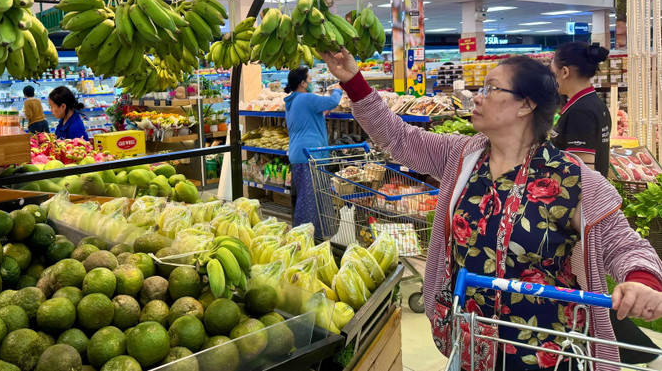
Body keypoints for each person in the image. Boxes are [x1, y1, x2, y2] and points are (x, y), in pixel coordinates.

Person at [321, 49, 662, 370]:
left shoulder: (571, 179)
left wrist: (641, 281)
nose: (477, 97)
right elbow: (398, 137)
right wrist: (353, 80)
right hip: (471, 341)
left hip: (546, 350)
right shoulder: (463, 157)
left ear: (525, 105)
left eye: (491, 88)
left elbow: (624, 244)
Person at [551, 42, 661, 368]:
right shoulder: (592, 104)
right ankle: (638, 351)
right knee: (588, 287)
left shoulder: (582, 110)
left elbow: (579, 166)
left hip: (579, 210)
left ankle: (638, 351)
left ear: (566, 71)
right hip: (587, 208)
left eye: (553, 69)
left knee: (586, 289)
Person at [283, 67, 342, 232]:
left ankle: (309, 234)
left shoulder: (293, 101)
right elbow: (332, 102)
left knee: (306, 198)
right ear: (302, 83)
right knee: (310, 202)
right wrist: (337, 90)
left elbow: (305, 121)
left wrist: (320, 114)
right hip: (309, 156)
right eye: (309, 79)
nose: (311, 82)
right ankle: (305, 238)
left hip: (299, 155)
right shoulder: (306, 98)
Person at [550, 42, 611, 175]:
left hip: (582, 195)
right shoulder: (594, 102)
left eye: (553, 74)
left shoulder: (581, 111)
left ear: (565, 72)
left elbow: (582, 172)